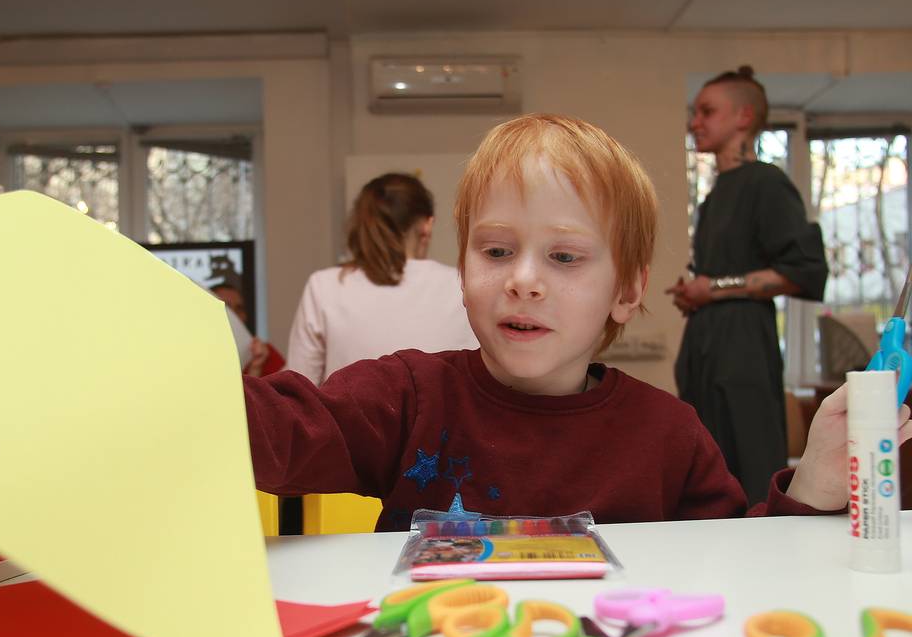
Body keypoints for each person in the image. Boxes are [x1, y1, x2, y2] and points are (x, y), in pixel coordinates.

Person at [243, 114, 903, 532]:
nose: (522, 278)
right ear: (463, 268)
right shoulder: (405, 396)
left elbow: (741, 570)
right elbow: (270, 432)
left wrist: (815, 485)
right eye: (496, 251)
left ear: (627, 290)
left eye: (564, 257)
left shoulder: (669, 436)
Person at [667, 66, 828, 503]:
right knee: (705, 463)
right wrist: (697, 293)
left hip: (743, 347)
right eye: (694, 112)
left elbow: (804, 269)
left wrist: (714, 287)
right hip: (706, 343)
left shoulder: (766, 183)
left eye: (707, 111)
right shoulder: (715, 196)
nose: (694, 122)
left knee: (751, 461)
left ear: (743, 116)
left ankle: (767, 554)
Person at [285, 172, 477, 385]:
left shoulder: (324, 287)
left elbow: (299, 388)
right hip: (442, 418)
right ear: (427, 225)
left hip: (348, 418)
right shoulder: (462, 284)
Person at [213, 281, 285, 376]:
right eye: (227, 308)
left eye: (239, 308)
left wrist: (255, 368)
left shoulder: (265, 354)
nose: (234, 314)